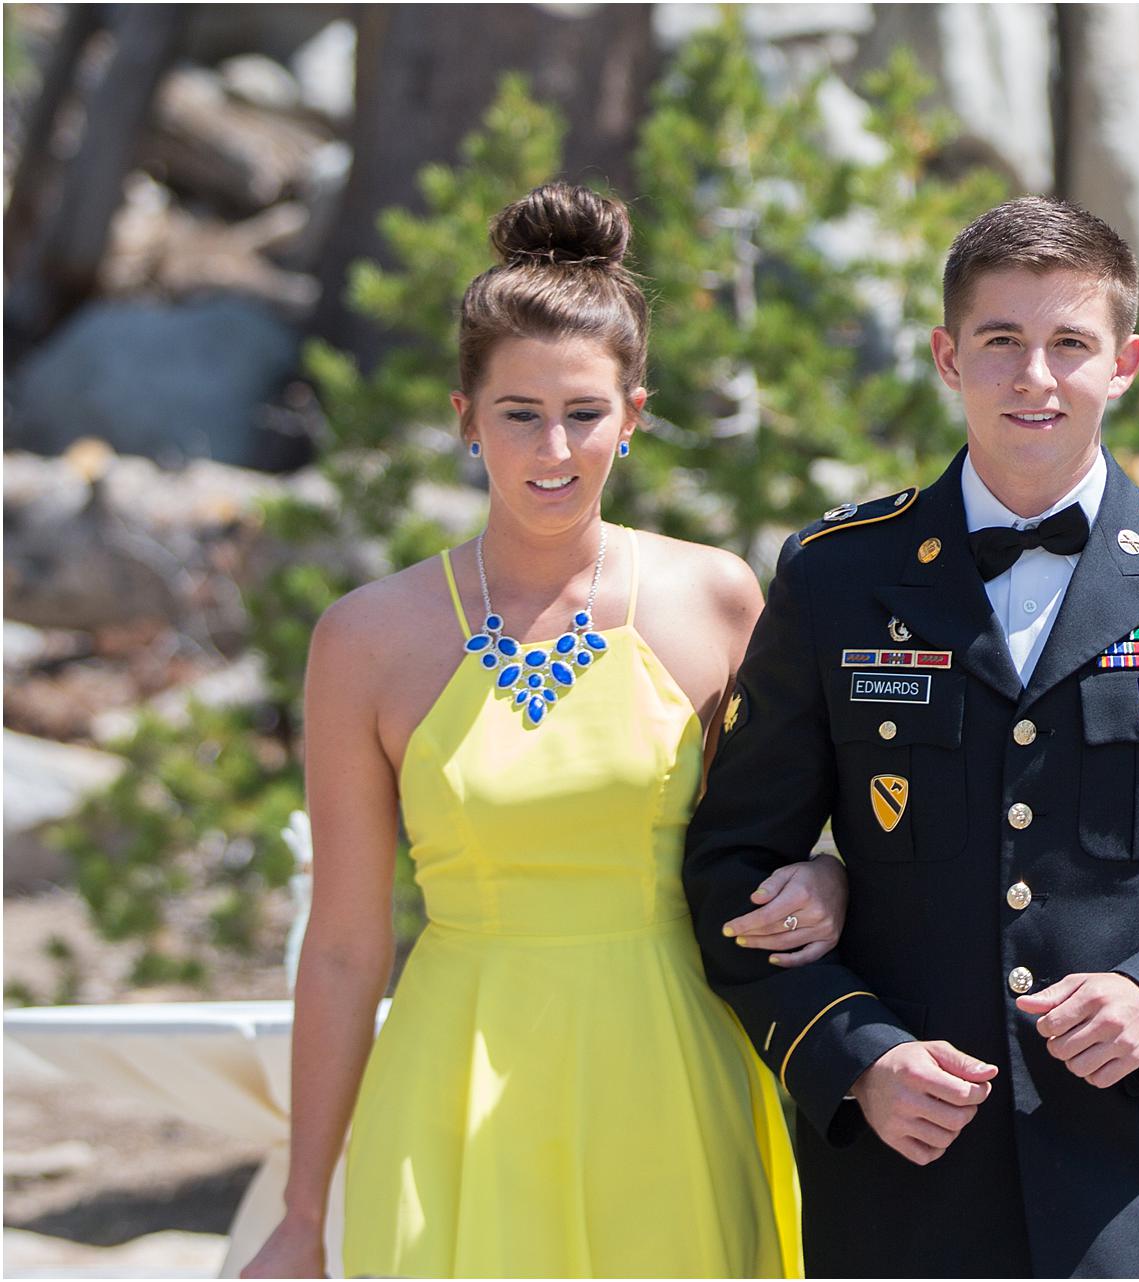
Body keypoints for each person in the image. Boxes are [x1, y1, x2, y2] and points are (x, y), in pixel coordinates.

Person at [680, 196, 1139, 1278]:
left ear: (1126, 360)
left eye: (1070, 344)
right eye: (1001, 341)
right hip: (904, 1168)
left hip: (1126, 1169)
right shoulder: (840, 576)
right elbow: (728, 869)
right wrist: (854, 1054)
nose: (1035, 377)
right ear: (949, 356)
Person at [241, 183, 850, 1278]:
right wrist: (299, 1213)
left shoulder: (715, 599)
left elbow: (798, 844)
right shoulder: (365, 639)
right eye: (519, 412)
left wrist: (835, 882)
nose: (554, 448)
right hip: (451, 1091)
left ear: (637, 412)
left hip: (673, 1072)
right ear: (465, 417)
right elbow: (342, 947)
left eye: (585, 412)